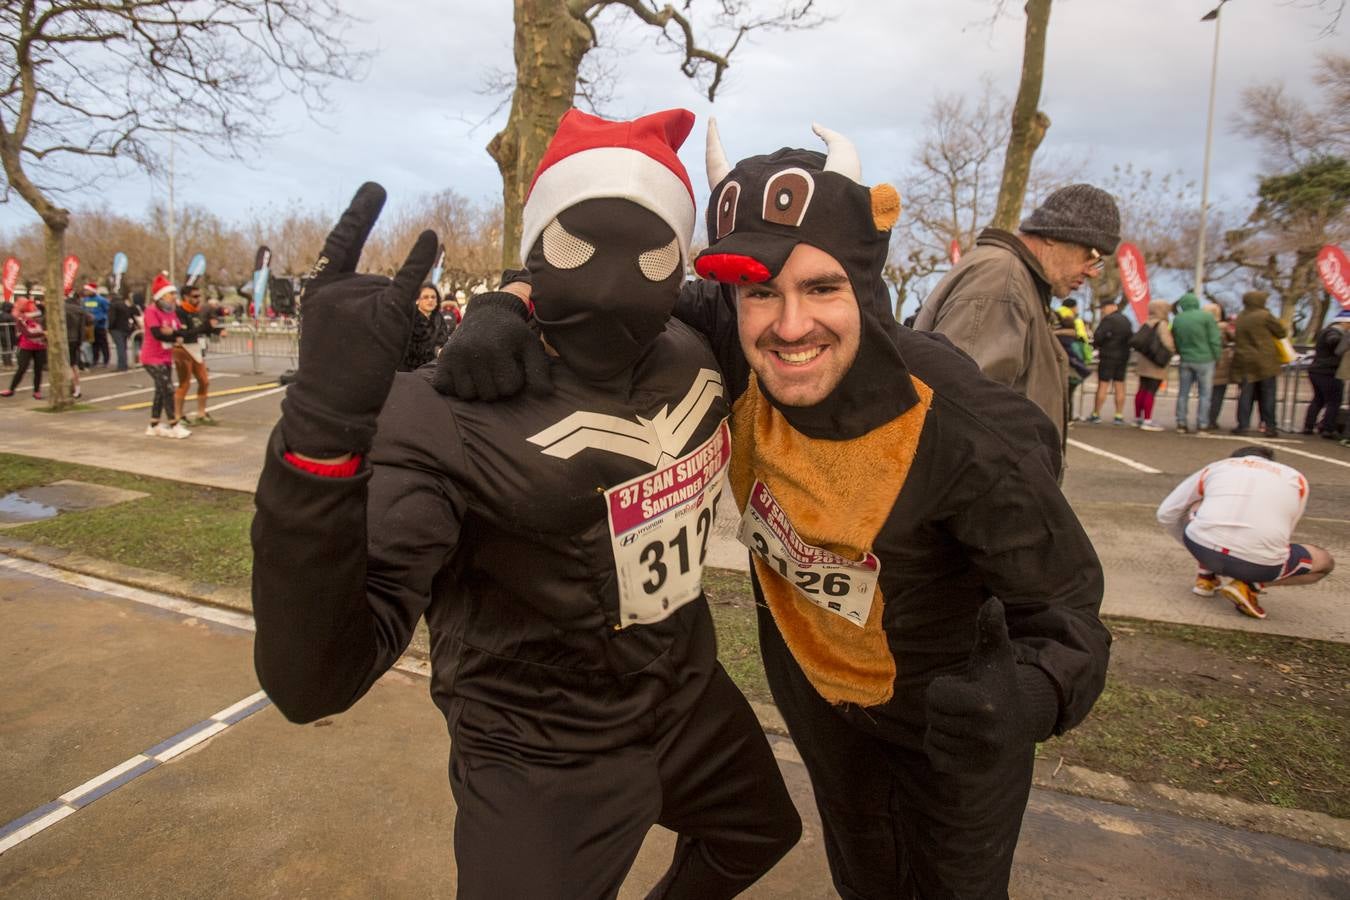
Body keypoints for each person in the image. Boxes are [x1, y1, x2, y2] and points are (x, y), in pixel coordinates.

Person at [441, 121, 1111, 898]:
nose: (792, 327)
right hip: (823, 705)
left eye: (822, 288)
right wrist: (509, 306)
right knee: (865, 879)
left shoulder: (960, 426)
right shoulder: (735, 337)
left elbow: (1069, 614)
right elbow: (613, 290)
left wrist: (1029, 696)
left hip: (952, 720)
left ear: (862, 283)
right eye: (762, 292)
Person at [251, 111, 799, 898]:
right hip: (539, 751)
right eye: (582, 246)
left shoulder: (698, 341)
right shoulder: (443, 410)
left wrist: (504, 299)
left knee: (762, 831)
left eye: (650, 251)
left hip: (683, 696)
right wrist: (321, 438)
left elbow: (798, 305)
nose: (615, 280)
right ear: (544, 246)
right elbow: (312, 682)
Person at [913, 183, 1120, 442]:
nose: (1093, 271)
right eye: (1091, 254)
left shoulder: (1012, 278)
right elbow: (959, 413)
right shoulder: (1003, 281)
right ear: (1052, 234)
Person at [1157, 446, 1335, 620]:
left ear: (1233, 458)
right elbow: (1287, 530)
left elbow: (1166, 513)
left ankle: (1206, 576)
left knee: (1198, 505)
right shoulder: (1295, 478)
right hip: (1259, 563)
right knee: (1325, 563)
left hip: (1201, 547)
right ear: (1271, 462)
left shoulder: (1218, 467)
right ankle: (1251, 584)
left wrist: (1190, 542)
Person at [1230, 290, 1286, 437]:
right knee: (1267, 394)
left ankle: (1243, 425)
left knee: (1245, 394)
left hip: (1244, 359)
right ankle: (1270, 426)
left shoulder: (1241, 317)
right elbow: (1281, 332)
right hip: (1265, 360)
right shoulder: (1265, 315)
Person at [142, 273, 191, 438]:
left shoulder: (171, 312)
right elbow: (158, 333)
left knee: (160, 390)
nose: (174, 297)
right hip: (152, 357)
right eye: (171, 294)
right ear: (162, 295)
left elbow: (178, 331)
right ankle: (174, 424)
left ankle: (153, 424)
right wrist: (171, 334)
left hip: (166, 356)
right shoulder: (151, 311)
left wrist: (173, 334)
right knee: (168, 389)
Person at [1170, 291, 1222, 434]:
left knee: (1183, 393)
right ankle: (1202, 424)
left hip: (1186, 358)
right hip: (1205, 359)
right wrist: (1217, 357)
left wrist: (1181, 353)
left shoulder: (1178, 319)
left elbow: (1177, 339)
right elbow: (1214, 339)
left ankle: (1181, 422)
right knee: (1205, 394)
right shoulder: (1206, 317)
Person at [173, 284, 225, 425]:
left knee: (204, 380)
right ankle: (178, 415)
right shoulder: (180, 312)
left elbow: (202, 328)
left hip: (195, 347)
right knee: (184, 383)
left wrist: (217, 331)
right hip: (182, 348)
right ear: (185, 297)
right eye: (194, 296)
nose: (198, 299)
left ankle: (201, 413)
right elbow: (183, 333)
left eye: (199, 296)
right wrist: (204, 327)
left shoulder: (197, 311)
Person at [1302, 308, 1350, 438]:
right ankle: (1328, 429)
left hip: (1317, 369)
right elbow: (1333, 341)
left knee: (1318, 399)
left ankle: (1308, 426)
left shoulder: (1326, 331)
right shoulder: (1335, 332)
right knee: (1334, 401)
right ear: (1345, 323)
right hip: (1328, 371)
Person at [1087, 296, 1132, 424]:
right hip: (1123, 356)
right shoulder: (1126, 320)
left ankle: (1096, 413)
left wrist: (1098, 345)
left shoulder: (1108, 320)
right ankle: (1118, 415)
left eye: (1103, 308)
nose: (1102, 311)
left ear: (1110, 307)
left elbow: (1098, 337)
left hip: (1108, 356)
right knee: (1120, 385)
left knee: (1103, 385)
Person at [1132, 299, 1174, 431]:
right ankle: (1147, 419)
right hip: (1156, 362)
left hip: (1144, 360)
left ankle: (1138, 417)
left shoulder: (1145, 323)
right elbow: (1167, 343)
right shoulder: (1162, 324)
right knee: (1151, 390)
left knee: (1142, 389)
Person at [2, 292, 46, 399]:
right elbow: (27, 333)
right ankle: (11, 389)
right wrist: (43, 333)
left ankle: (37, 391)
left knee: (38, 369)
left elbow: (46, 324)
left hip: (40, 346)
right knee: (22, 368)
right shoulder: (20, 318)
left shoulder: (40, 316)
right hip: (26, 346)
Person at [398, 282, 450, 371]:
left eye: (433, 297)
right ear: (417, 300)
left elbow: (443, 339)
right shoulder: (409, 319)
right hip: (410, 371)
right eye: (425, 297)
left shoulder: (439, 318)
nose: (430, 300)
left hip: (433, 369)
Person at [1053, 310, 1090, 418]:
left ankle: (1063, 417)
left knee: (1062, 396)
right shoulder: (1079, 339)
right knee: (1069, 395)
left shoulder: (1057, 338)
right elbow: (1086, 355)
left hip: (1063, 371)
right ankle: (1069, 417)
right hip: (1077, 371)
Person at [1205, 302, 1235, 430]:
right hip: (1221, 361)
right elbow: (1233, 337)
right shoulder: (1223, 326)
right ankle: (1211, 419)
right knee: (1218, 393)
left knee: (1205, 393)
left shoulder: (1202, 326)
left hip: (1204, 358)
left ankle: (1203, 418)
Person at [81, 282, 111, 367]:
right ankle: (95, 360)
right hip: (90, 326)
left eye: (87, 290)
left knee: (103, 343)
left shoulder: (102, 300)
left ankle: (106, 360)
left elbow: (107, 311)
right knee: (94, 344)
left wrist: (100, 318)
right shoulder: (84, 300)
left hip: (100, 325)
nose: (85, 292)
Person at [107, 291, 139, 371]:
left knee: (120, 347)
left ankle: (121, 365)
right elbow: (131, 315)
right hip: (125, 328)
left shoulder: (113, 305)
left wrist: (109, 327)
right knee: (123, 347)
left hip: (116, 328)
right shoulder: (124, 304)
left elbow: (112, 318)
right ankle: (124, 364)